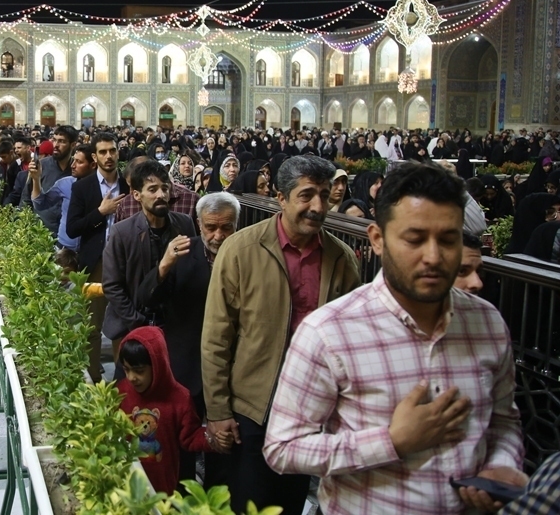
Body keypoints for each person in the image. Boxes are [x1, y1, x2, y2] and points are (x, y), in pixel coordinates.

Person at [263, 161, 526, 515]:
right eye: (414, 239)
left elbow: (503, 421)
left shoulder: (487, 323)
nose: (433, 257)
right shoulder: (331, 332)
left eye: (448, 240)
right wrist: (391, 442)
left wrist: (503, 464)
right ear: (377, 239)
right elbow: (283, 448)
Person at [201, 155, 360, 515]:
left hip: (309, 410)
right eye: (306, 195)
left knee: (289, 501)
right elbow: (216, 338)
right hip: (253, 407)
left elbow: (350, 341)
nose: (317, 206)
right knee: (247, 501)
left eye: (324, 195)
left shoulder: (341, 259)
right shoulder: (241, 250)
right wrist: (218, 410)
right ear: (281, 198)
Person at [135, 191, 239, 487]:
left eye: (226, 227)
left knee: (224, 445)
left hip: (230, 370)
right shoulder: (181, 252)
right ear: (198, 223)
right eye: (210, 227)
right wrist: (164, 265)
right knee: (182, 448)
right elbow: (146, 299)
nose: (218, 235)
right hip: (186, 367)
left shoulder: (247, 255)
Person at [102, 159, 195, 371]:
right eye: (152, 189)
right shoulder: (122, 232)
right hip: (133, 324)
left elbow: (190, 273)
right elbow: (112, 286)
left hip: (173, 325)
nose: (161, 195)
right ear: (137, 195)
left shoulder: (184, 224)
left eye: (165, 188)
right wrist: (138, 323)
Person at [116, 326, 219, 496]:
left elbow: (190, 437)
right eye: (126, 369)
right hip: (128, 482)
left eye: (139, 371)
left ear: (158, 364)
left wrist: (214, 439)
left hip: (164, 487)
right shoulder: (121, 392)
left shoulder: (180, 398)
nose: (131, 377)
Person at [67, 132, 130, 383]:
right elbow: (73, 227)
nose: (108, 156)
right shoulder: (83, 187)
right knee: (92, 325)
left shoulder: (128, 185)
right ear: (95, 156)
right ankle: (94, 380)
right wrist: (101, 212)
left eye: (112, 151)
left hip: (126, 262)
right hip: (96, 263)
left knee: (123, 325)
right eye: (103, 152)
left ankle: (124, 383)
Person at [30, 144, 96, 251]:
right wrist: (36, 179)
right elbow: (40, 204)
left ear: (93, 165)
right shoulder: (65, 183)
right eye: (74, 160)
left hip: (90, 250)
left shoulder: (103, 189)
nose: (73, 165)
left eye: (79, 162)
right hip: (64, 248)